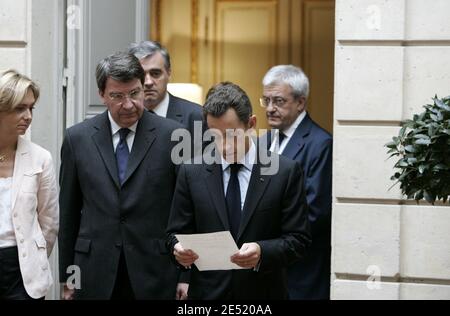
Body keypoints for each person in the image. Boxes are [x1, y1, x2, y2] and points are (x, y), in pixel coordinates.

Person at [166, 82, 311, 300]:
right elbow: (174, 234)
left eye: (232, 135)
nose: (224, 146)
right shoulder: (191, 172)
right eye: (215, 136)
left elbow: (299, 241)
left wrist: (262, 251)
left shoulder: (285, 172)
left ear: (251, 124)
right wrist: (178, 250)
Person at [58, 52, 185, 300]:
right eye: (117, 96)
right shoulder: (77, 139)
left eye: (134, 93)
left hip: (156, 272)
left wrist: (186, 276)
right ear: (102, 95)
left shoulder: (174, 136)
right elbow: (69, 214)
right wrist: (69, 277)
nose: (128, 104)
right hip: (94, 272)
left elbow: (185, 211)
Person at [262, 65, 333, 300]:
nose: (270, 109)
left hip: (301, 272)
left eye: (279, 101)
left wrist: (264, 240)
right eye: (266, 100)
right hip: (264, 270)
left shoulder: (320, 144)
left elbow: (315, 212)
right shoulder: (262, 142)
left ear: (301, 103)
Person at [0, 69, 59, 300]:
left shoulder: (40, 158)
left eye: (31, 108)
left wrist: (37, 259)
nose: (28, 116)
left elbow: (49, 222)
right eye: (19, 108)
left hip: (24, 272)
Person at [128, 41, 203, 138]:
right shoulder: (124, 115)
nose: (148, 82)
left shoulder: (195, 116)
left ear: (169, 73)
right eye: (141, 75)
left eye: (155, 74)